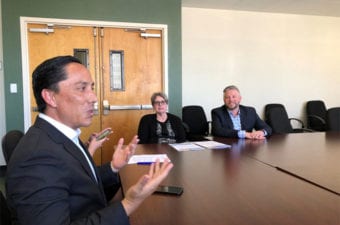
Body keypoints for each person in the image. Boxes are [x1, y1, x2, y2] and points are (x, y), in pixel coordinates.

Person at [6, 55, 173, 225]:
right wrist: (128, 204)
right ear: (50, 97)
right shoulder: (37, 157)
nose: (93, 97)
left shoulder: (63, 136)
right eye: (81, 88)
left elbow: (79, 181)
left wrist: (113, 167)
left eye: (91, 87)